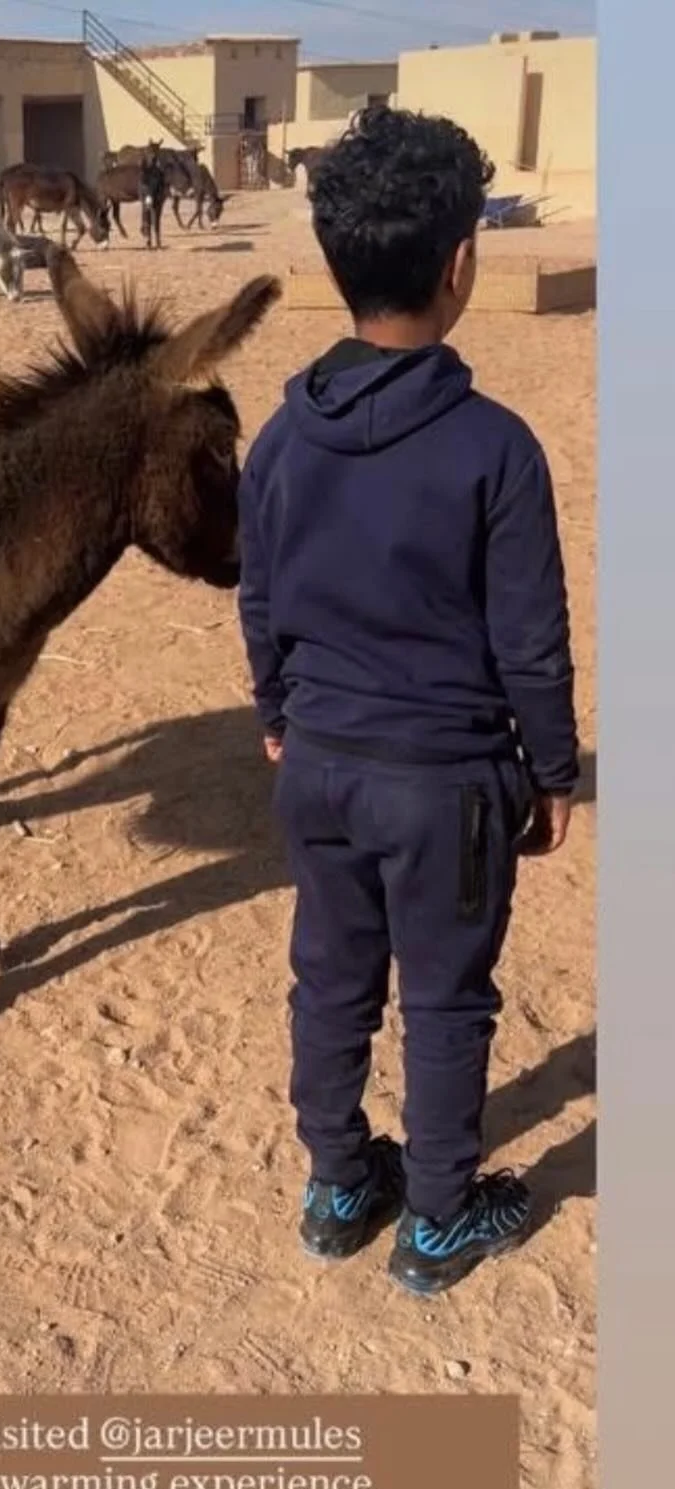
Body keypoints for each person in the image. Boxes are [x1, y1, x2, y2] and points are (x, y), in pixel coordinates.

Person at [237, 105, 579, 1297]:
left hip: (318, 764)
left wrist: (276, 713)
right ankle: (435, 1215)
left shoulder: (281, 436)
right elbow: (529, 641)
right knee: (444, 998)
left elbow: (259, 599)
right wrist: (552, 771)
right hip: (444, 786)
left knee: (328, 976)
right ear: (458, 264)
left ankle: (337, 1187)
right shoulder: (495, 448)